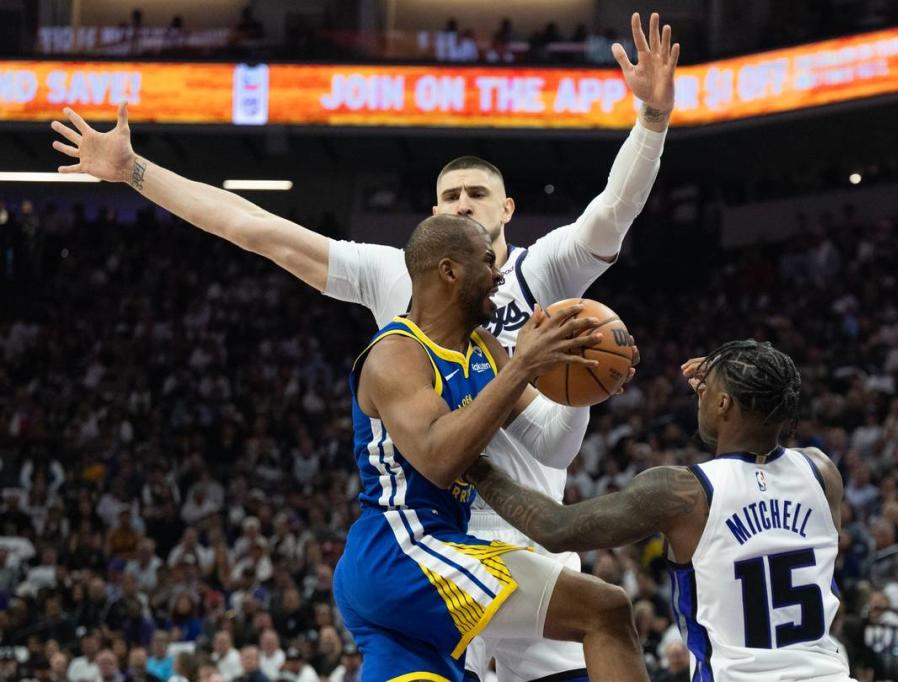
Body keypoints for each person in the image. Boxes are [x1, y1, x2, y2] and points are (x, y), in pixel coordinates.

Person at [50, 12, 678, 679]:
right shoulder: (396, 281)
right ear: (433, 228)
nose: (463, 206)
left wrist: (651, 122)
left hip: (522, 537)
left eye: (477, 195)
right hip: (437, 541)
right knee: (598, 612)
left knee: (599, 617)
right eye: (449, 198)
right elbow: (258, 230)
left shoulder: (542, 275)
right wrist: (137, 171)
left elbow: (611, 215)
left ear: (507, 210)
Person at [333, 214, 646, 680]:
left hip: (418, 558)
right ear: (449, 271)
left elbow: (548, 441)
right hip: (403, 549)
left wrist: (583, 388)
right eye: (486, 261)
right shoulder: (397, 353)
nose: (499, 272)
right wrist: (521, 368)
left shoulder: (481, 345)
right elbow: (439, 459)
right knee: (605, 608)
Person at [466, 339, 857, 681]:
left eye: (708, 392)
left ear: (724, 403)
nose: (697, 395)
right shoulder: (822, 472)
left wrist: (473, 463)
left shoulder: (683, 493)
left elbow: (556, 528)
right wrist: (738, 382)